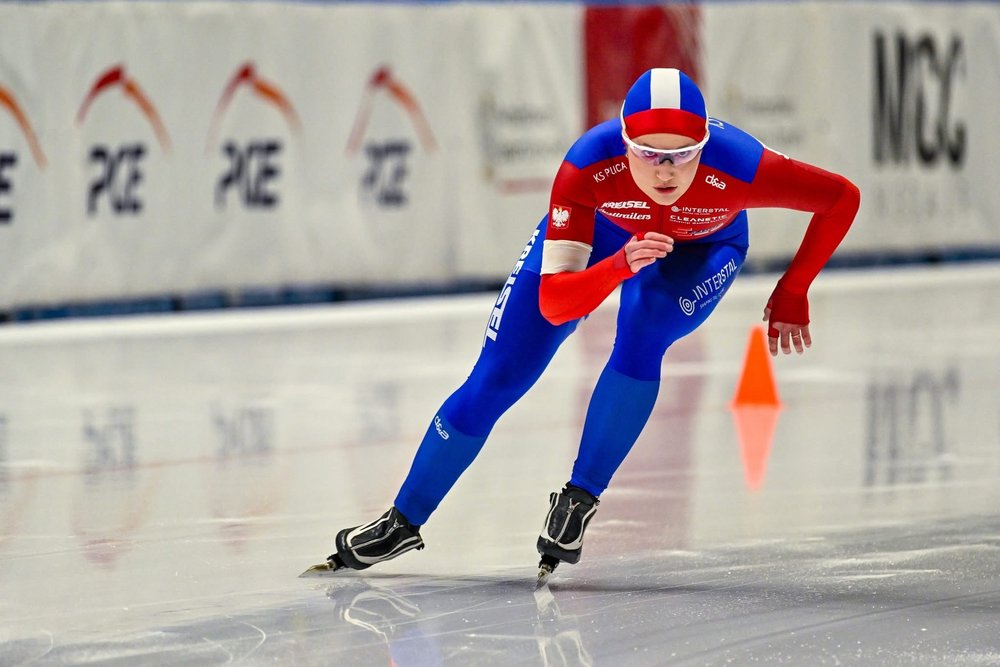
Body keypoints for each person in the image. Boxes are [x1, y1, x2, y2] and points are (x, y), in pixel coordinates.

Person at [316, 68, 860, 577]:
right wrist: (617, 265)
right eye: (648, 155)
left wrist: (793, 288)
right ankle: (401, 521)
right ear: (624, 144)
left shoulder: (740, 165)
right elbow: (555, 305)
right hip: (606, 233)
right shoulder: (587, 165)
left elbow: (841, 198)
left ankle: (579, 500)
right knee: (501, 371)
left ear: (705, 147)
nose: (666, 171)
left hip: (704, 247)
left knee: (644, 328)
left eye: (683, 155)